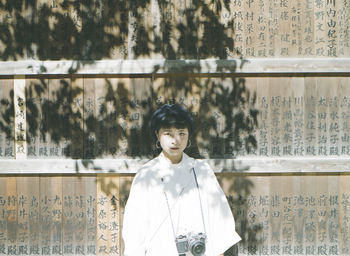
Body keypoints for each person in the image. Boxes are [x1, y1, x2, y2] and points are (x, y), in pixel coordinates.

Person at [122, 104, 241, 256]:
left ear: (188, 135)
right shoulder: (147, 175)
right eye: (168, 133)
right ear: (157, 135)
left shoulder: (201, 169)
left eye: (181, 133)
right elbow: (135, 226)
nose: (175, 140)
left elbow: (219, 215)